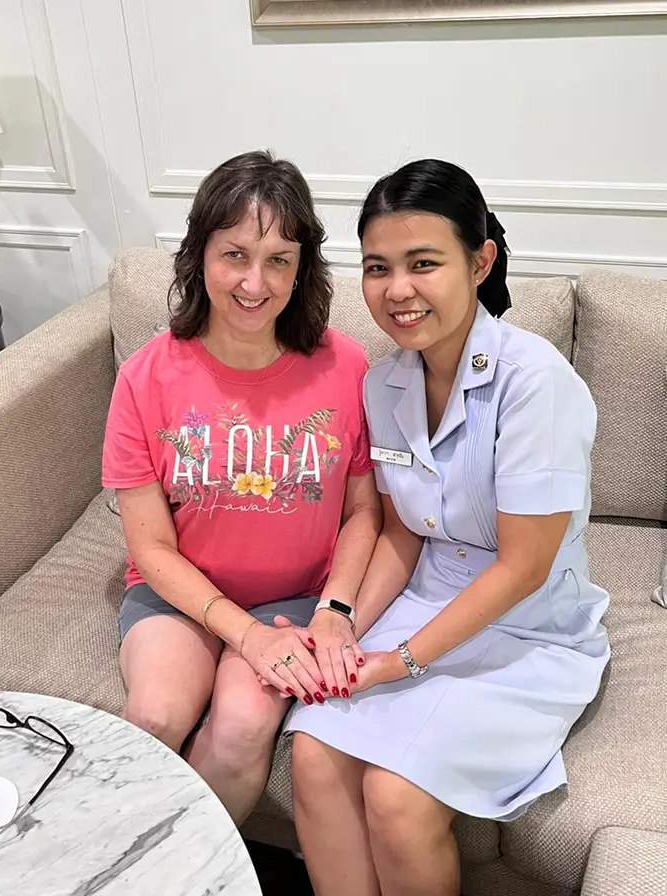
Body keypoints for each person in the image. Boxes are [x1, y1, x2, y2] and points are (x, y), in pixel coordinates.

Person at [284, 159, 610, 896]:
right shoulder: (385, 380)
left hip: (526, 628)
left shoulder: (536, 382)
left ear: (479, 260)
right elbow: (402, 532)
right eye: (377, 267)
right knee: (310, 751)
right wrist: (339, 626)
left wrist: (398, 662)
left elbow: (522, 567)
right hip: (423, 603)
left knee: (396, 797)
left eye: (422, 264)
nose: (397, 290)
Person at [101, 150, 381, 824]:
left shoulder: (345, 366)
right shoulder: (145, 376)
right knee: (155, 713)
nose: (255, 283)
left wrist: (334, 611)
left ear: (301, 268)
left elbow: (364, 512)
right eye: (235, 255)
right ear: (200, 255)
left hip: (295, 599)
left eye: (278, 259)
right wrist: (243, 637)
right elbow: (151, 547)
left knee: (240, 728)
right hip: (180, 595)